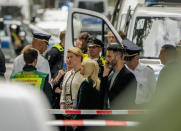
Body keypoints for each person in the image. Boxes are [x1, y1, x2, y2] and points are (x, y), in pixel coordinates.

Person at [101, 44, 137, 109]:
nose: (107, 59)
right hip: (107, 114)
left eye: (109, 56)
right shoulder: (110, 74)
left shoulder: (129, 76)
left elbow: (129, 101)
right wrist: (105, 74)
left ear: (117, 57)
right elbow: (102, 94)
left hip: (120, 116)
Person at [124, 40, 156, 106]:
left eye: (130, 59)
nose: (127, 62)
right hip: (127, 107)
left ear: (137, 57)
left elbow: (154, 91)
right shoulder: (123, 71)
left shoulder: (147, 71)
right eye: (126, 59)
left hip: (143, 108)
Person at [73, 60, 101, 131]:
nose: (80, 68)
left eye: (82, 66)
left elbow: (81, 104)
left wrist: (76, 120)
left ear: (87, 69)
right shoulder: (97, 83)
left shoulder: (86, 83)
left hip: (84, 121)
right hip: (94, 121)